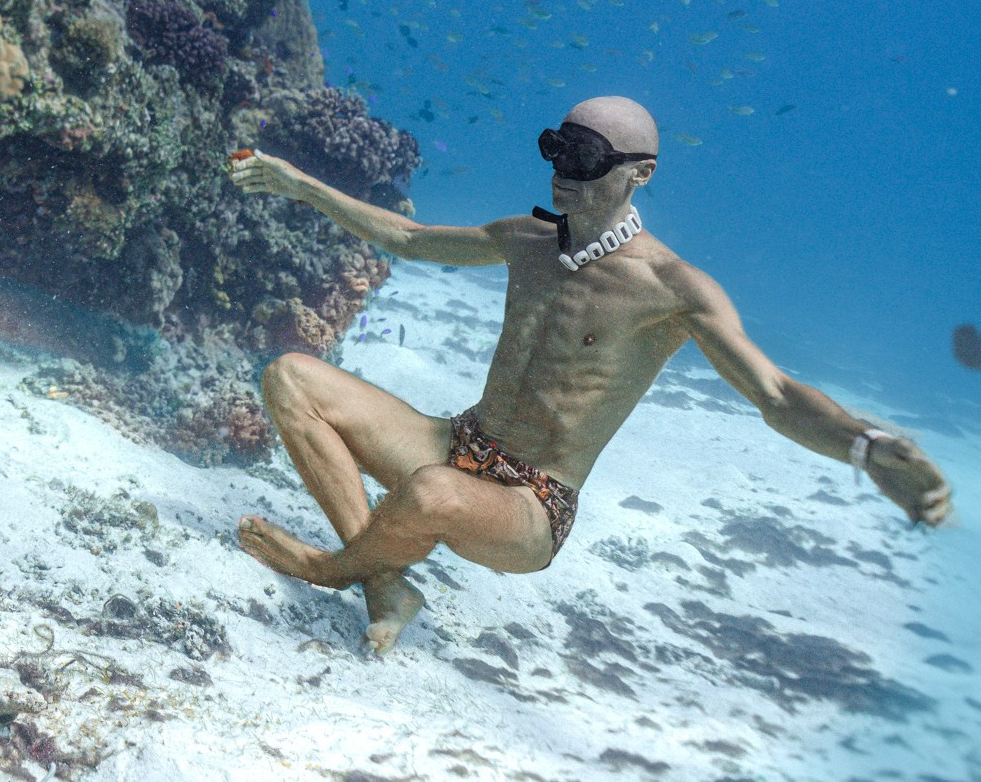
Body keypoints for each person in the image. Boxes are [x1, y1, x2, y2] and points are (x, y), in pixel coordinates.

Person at [228, 95, 953, 654]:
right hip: (457, 442)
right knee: (292, 377)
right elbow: (410, 238)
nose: (561, 171)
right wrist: (300, 184)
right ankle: (384, 584)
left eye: (585, 157)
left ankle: (332, 568)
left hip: (531, 504)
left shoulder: (672, 288)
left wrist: (864, 445)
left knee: (427, 492)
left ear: (641, 173)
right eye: (557, 149)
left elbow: (775, 394)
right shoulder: (528, 239)